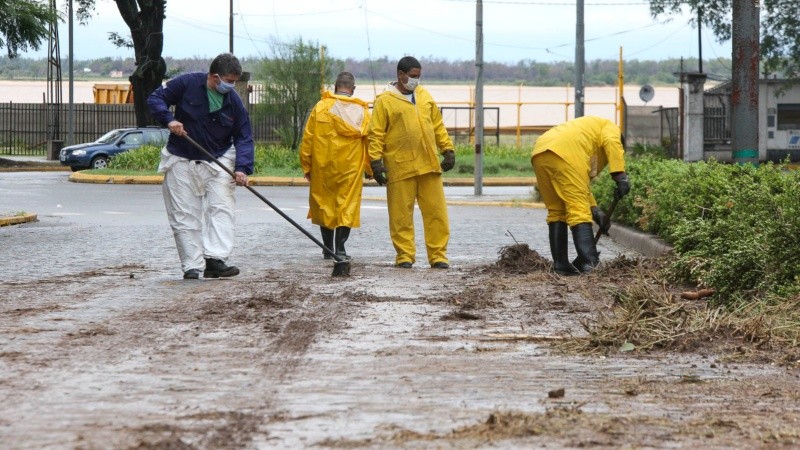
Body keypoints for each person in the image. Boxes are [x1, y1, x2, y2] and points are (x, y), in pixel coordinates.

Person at [147, 52, 254, 280]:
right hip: (181, 157)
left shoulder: (233, 101)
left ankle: (215, 260)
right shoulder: (186, 83)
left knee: (222, 208)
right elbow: (155, 99)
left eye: (234, 81)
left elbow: (244, 136)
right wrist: (169, 119)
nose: (232, 86)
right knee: (184, 213)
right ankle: (191, 266)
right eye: (229, 81)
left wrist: (242, 168)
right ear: (215, 77)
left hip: (219, 156)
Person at [367, 56, 456, 269]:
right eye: (413, 76)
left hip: (429, 164)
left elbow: (437, 125)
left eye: (419, 76)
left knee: (437, 213)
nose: (417, 80)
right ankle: (405, 255)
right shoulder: (385, 101)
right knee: (400, 215)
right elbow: (375, 134)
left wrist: (447, 149)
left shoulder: (424, 96)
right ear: (401, 75)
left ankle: (438, 256)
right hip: (400, 166)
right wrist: (375, 162)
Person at [531, 115, 630, 275]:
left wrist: (595, 210)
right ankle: (591, 263)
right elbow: (612, 143)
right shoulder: (611, 128)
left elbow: (580, 185)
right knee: (578, 210)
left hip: (540, 152)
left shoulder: (588, 140)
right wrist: (620, 176)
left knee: (557, 211)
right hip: (564, 152)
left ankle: (561, 265)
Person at [299, 71, 371, 261]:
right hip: (351, 168)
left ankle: (327, 248)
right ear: (353, 89)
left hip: (323, 167)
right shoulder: (362, 112)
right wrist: (371, 169)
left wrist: (307, 166)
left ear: (335, 86)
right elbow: (370, 142)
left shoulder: (321, 107)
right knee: (346, 207)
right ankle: (340, 249)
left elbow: (308, 139)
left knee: (325, 205)